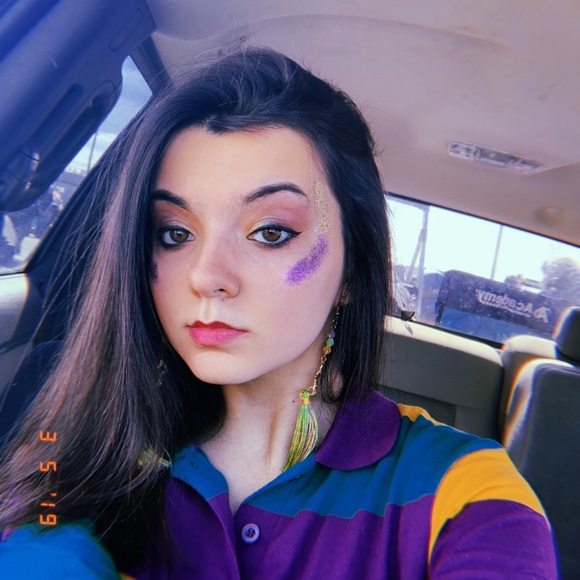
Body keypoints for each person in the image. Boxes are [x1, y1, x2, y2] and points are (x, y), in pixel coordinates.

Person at [0, 48, 558, 578]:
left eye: (270, 232)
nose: (205, 276)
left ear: (353, 269)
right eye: (174, 233)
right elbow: (42, 520)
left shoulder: (468, 490)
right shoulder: (89, 428)